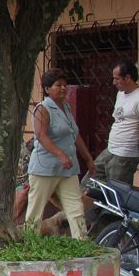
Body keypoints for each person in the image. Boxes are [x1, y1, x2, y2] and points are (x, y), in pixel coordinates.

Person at [25, 68, 96, 240]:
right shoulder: (42, 109)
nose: (63, 88)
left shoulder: (66, 107)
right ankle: (30, 242)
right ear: (48, 89)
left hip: (68, 169)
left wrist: (88, 158)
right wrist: (60, 155)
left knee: (75, 207)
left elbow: (75, 134)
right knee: (36, 209)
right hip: (45, 168)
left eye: (65, 85)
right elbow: (41, 136)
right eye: (58, 85)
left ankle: (81, 242)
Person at [94, 60, 139, 185]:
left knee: (117, 195)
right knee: (90, 185)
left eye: (117, 79)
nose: (114, 82)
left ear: (127, 78)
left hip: (124, 156)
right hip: (110, 150)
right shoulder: (120, 94)